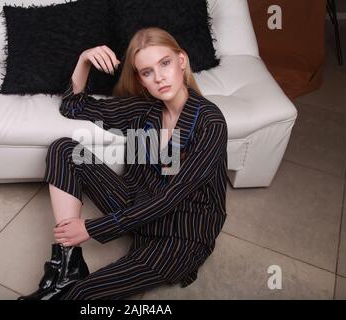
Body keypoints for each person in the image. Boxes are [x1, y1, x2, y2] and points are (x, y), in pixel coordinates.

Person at [18, 26, 228, 300]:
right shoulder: (144, 109)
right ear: (141, 79)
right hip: (137, 204)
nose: (159, 78)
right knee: (64, 149)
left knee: (81, 295)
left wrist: (91, 229)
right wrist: (84, 59)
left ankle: (72, 283)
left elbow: (170, 197)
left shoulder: (210, 123)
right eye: (147, 72)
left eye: (164, 63)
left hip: (181, 235)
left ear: (181, 60)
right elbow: (73, 106)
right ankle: (68, 265)